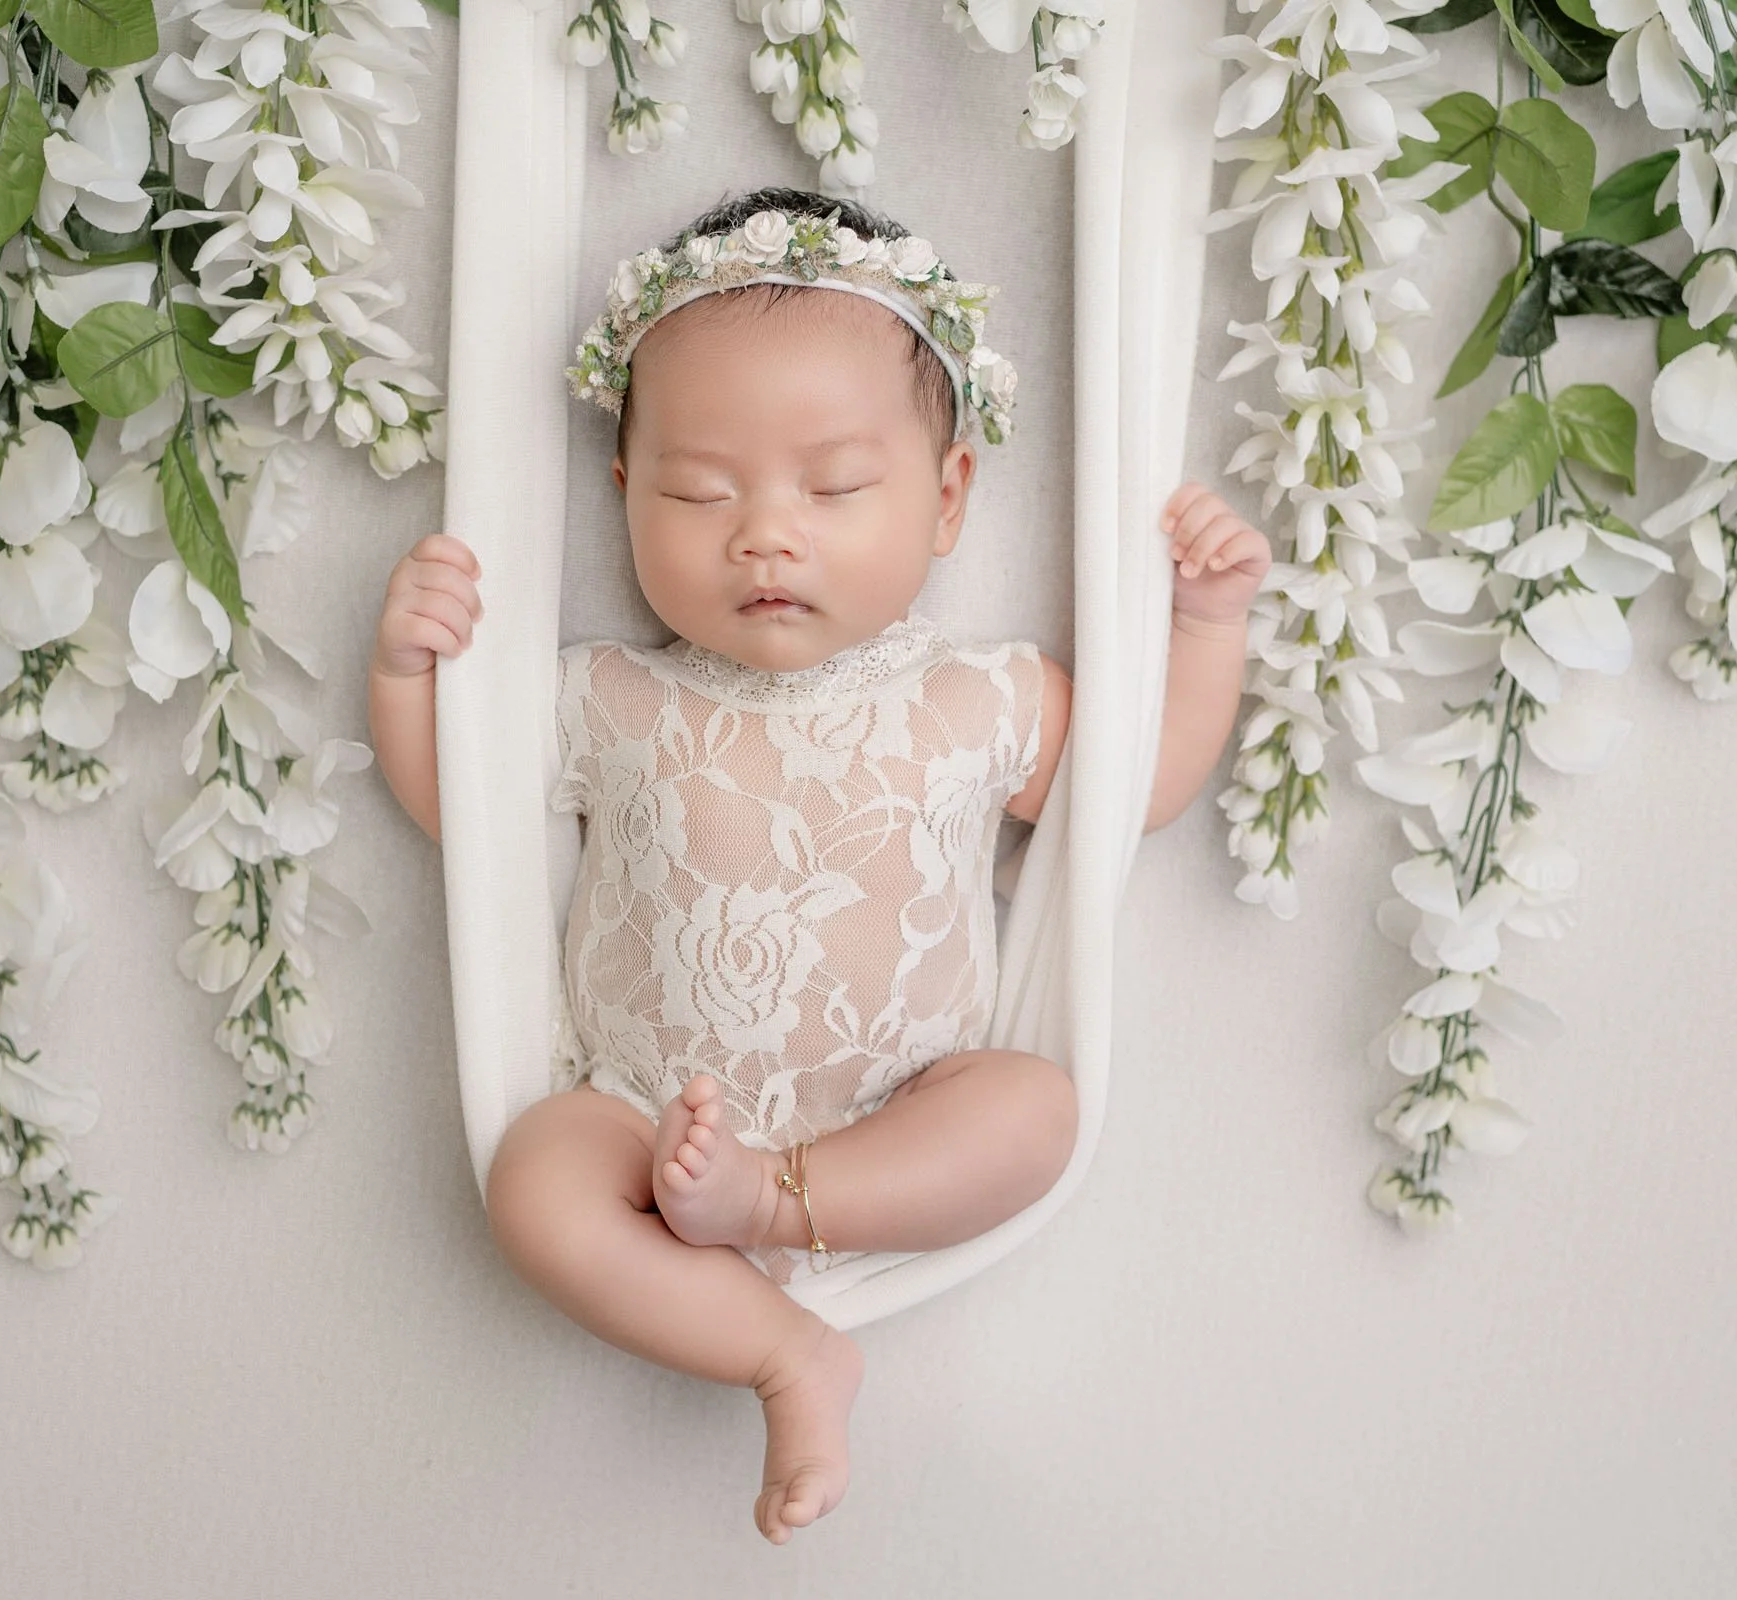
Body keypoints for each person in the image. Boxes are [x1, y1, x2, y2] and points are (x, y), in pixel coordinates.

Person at [366, 186, 1271, 1545]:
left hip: (900, 1106)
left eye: (837, 486)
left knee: (1034, 1112)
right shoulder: (608, 696)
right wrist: (405, 674)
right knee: (534, 1183)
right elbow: (467, 825)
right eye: (697, 489)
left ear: (950, 497)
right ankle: (790, 1355)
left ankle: (789, 1197)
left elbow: (1132, 795)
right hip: (640, 1111)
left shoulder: (981, 699)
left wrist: (1203, 629)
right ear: (624, 493)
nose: (764, 533)